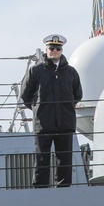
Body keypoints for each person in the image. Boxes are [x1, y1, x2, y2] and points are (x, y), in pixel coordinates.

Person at [20, 33, 83, 188]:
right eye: (51, 48)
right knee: (42, 158)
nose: (54, 51)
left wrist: (65, 108)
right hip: (43, 123)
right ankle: (40, 189)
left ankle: (63, 188)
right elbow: (25, 95)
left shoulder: (71, 72)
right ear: (46, 49)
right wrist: (38, 109)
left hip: (65, 123)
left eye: (57, 48)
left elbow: (77, 94)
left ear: (61, 50)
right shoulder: (35, 71)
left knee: (65, 158)